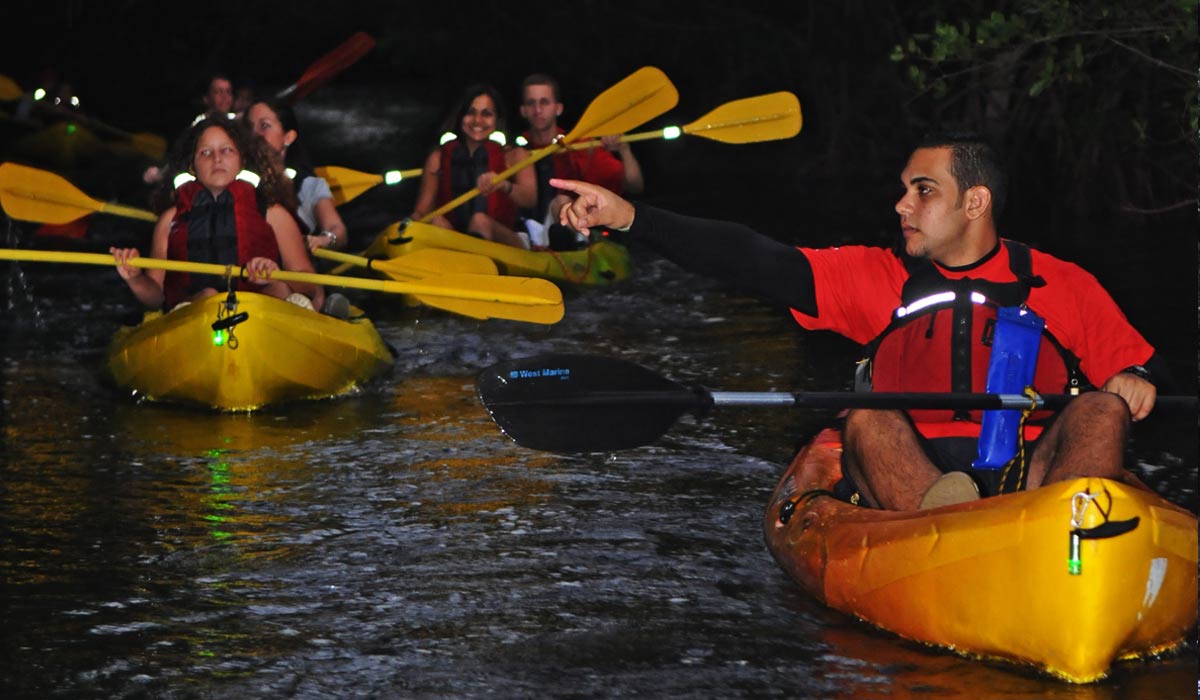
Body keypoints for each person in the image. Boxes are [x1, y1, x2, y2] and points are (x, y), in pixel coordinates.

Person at [551, 132, 1164, 512]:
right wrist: (632, 218)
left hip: (1031, 476)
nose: (902, 204)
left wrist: (1135, 377)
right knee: (865, 410)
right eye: (903, 189)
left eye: (923, 190)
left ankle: (1070, 530)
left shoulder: (1065, 283)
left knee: (1102, 408)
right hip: (913, 479)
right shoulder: (877, 278)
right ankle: (944, 524)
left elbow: (1134, 364)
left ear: (975, 203)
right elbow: (753, 259)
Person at [112, 115, 327, 314]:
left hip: (262, 314)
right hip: (197, 316)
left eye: (226, 150)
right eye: (205, 152)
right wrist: (136, 278)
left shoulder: (273, 214)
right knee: (208, 296)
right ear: (193, 166)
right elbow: (155, 296)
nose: (217, 159)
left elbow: (310, 285)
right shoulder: (170, 220)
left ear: (241, 159)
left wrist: (275, 273)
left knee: (279, 289)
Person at [517, 73, 644, 247]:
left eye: (545, 102)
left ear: (558, 108)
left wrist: (624, 149)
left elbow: (635, 186)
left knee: (561, 201)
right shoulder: (514, 151)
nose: (538, 110)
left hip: (573, 228)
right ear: (523, 110)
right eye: (532, 103)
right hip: (527, 233)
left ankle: (568, 238)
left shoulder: (581, 147)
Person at [410, 83, 536, 249]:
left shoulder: (515, 155)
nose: (477, 120)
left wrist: (504, 185)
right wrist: (409, 225)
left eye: (486, 114)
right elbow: (422, 210)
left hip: (507, 239)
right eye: (471, 113)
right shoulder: (438, 158)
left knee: (480, 220)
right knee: (436, 221)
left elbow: (530, 200)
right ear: (461, 117)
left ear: (497, 119)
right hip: (457, 238)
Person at [243, 97, 348, 252]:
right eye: (249, 128)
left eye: (264, 126)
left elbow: (336, 229)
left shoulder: (309, 185)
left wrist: (324, 239)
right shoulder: (233, 177)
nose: (254, 135)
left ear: (288, 137)